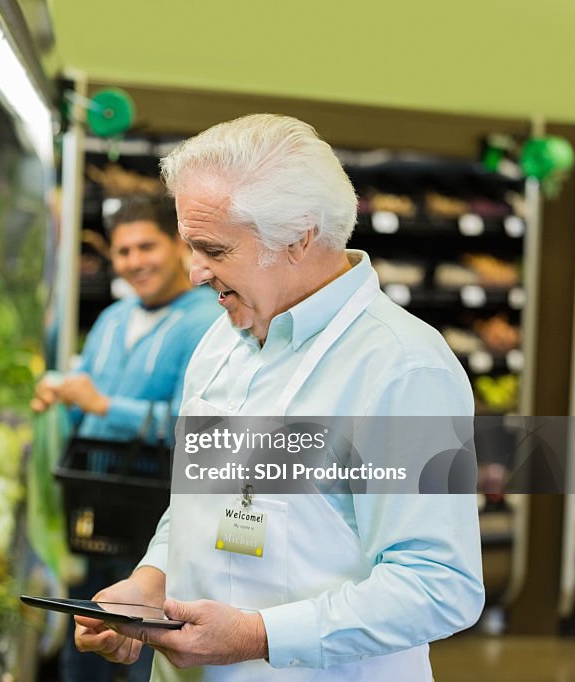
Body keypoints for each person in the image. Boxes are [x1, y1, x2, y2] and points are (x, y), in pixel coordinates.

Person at [73, 114, 485, 681]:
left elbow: (440, 584)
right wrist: (149, 582)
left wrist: (258, 636)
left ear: (299, 236)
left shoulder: (401, 368)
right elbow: (199, 503)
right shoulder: (223, 338)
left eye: (213, 250)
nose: (193, 273)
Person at [33, 194, 221, 682]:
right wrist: (59, 395)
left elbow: (195, 426)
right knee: (88, 634)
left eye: (146, 247)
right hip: (95, 511)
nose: (135, 262)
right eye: (123, 252)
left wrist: (103, 407)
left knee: (144, 646)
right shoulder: (115, 317)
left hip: (155, 515)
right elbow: (88, 386)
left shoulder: (209, 324)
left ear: (179, 246)